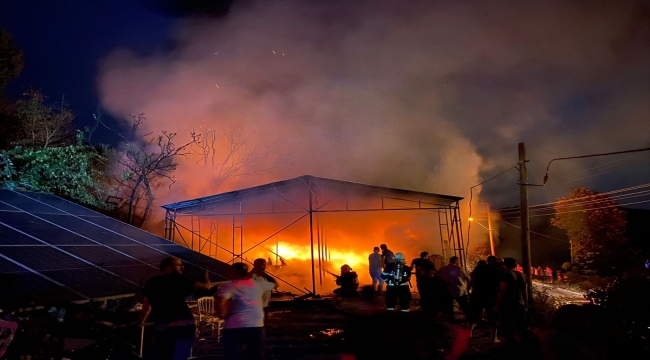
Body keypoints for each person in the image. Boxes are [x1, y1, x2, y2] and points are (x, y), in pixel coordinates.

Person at [139, 256, 215, 360]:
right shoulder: (180, 279)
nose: (182, 267)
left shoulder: (151, 283)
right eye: (179, 265)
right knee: (180, 355)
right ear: (168, 267)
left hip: (163, 324)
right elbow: (206, 287)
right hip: (184, 323)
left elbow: (146, 308)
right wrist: (206, 277)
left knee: (163, 354)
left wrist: (141, 322)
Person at [217, 262, 278, 360]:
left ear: (235, 271)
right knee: (255, 355)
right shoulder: (258, 284)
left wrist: (222, 315)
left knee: (233, 354)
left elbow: (220, 302)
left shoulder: (230, 286)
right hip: (256, 325)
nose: (227, 273)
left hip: (235, 326)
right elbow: (275, 284)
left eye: (229, 270)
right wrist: (262, 273)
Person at [493, 257, 529, 345]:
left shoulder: (504, 274)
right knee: (521, 324)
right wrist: (526, 303)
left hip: (508, 302)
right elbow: (525, 291)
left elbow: (503, 289)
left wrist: (497, 304)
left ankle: (511, 343)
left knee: (506, 323)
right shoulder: (523, 275)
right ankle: (525, 343)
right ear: (515, 265)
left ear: (504, 265)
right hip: (520, 303)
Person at [436, 256, 471, 323]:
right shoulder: (459, 269)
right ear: (456, 261)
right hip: (459, 290)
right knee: (465, 306)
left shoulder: (443, 269)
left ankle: (451, 319)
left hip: (447, 290)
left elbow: (437, 275)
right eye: (458, 261)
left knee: (449, 306)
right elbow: (467, 278)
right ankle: (469, 318)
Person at [250, 258, 276, 325]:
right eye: (259, 265)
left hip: (265, 303)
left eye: (263, 265)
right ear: (254, 265)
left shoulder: (263, 275)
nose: (261, 267)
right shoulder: (252, 276)